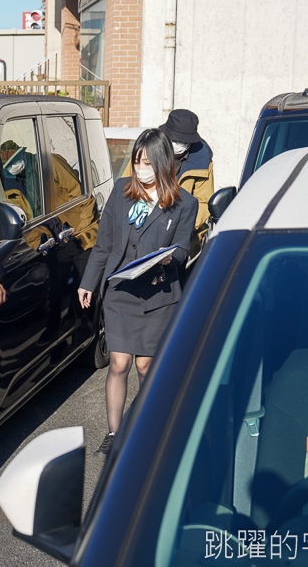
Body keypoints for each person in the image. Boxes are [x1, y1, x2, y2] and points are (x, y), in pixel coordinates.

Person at [78, 128, 198, 457]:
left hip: (158, 297)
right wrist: (89, 281)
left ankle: (150, 430)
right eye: (136, 161)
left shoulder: (185, 203)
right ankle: (114, 433)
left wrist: (167, 257)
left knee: (146, 366)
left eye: (146, 161)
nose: (140, 167)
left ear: (161, 162)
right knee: (119, 363)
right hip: (120, 292)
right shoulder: (121, 192)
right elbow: (103, 245)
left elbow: (183, 251)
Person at [122, 109, 214, 256]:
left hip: (181, 236)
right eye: (175, 139)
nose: (178, 144)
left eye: (184, 141)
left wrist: (180, 226)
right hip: (142, 227)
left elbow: (204, 202)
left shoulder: (202, 161)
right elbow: (127, 185)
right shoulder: (149, 149)